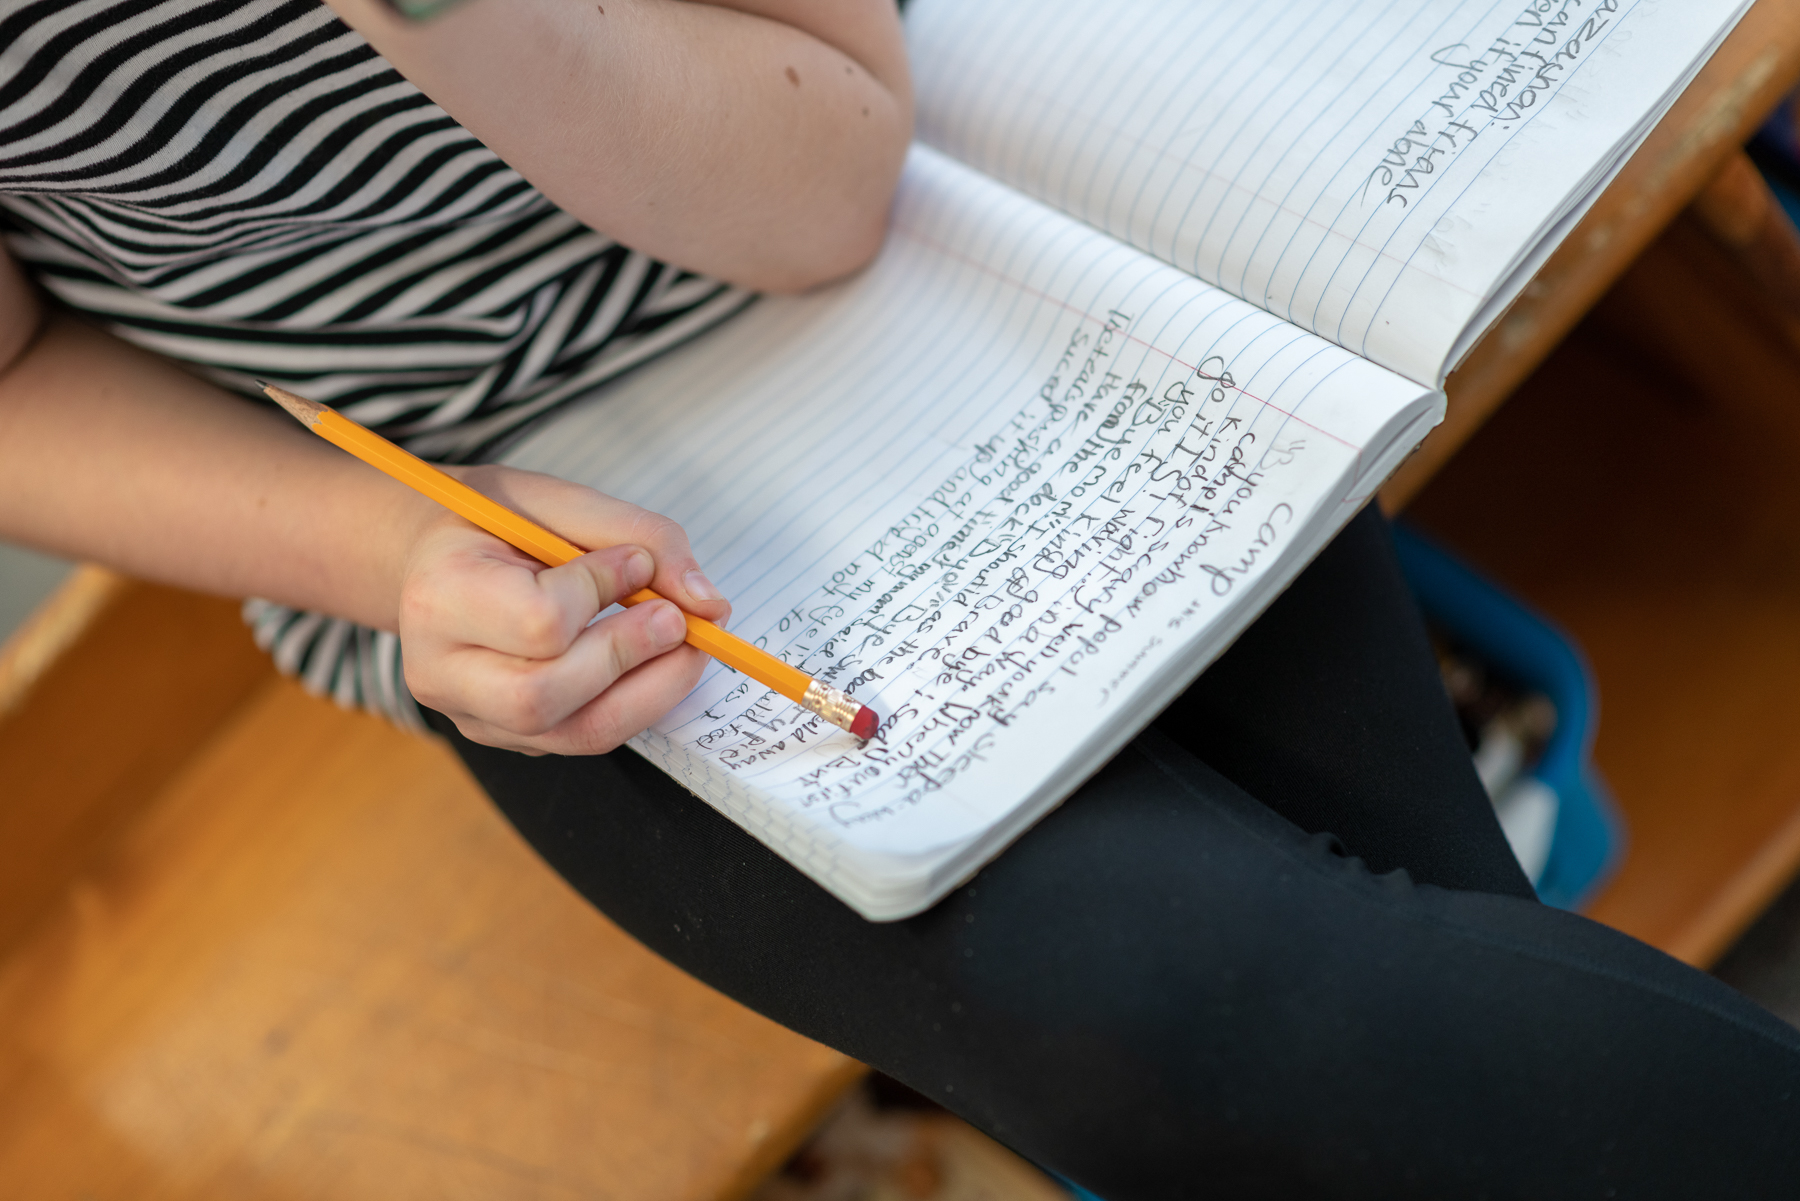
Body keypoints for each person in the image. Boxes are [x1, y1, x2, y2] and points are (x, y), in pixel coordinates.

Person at [1, 2, 1797, 1197]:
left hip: (930, 224)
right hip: (468, 525)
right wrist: (397, 553)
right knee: (1166, 1029)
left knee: (1349, 1037)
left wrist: (448, 17)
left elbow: (827, 188)